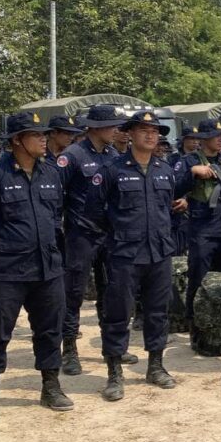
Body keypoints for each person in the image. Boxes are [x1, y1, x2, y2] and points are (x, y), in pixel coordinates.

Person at [0, 112, 73, 427]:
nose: (43, 139)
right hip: (6, 270)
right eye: (36, 135)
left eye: (44, 134)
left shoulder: (51, 173)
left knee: (49, 330)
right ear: (17, 140)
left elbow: (56, 212)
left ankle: (50, 386)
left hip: (47, 268)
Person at [87, 110, 178, 401]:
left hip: (159, 252)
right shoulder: (113, 171)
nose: (151, 135)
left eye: (155, 131)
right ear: (130, 134)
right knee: (117, 314)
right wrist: (114, 241)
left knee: (157, 312)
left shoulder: (165, 170)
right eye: (143, 130)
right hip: (124, 254)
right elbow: (94, 213)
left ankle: (156, 366)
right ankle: (114, 373)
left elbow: (167, 210)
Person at [57, 105, 135, 376]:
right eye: (113, 126)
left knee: (112, 292)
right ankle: (69, 350)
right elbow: (56, 196)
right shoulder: (72, 156)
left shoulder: (113, 155)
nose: (117, 131)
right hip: (80, 235)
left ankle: (113, 347)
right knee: (74, 293)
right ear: (95, 128)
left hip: (109, 235)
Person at [173, 119, 221, 337]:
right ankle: (195, 324)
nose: (220, 139)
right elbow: (175, 189)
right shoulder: (188, 161)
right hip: (203, 229)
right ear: (202, 139)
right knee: (199, 277)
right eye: (215, 136)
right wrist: (192, 173)